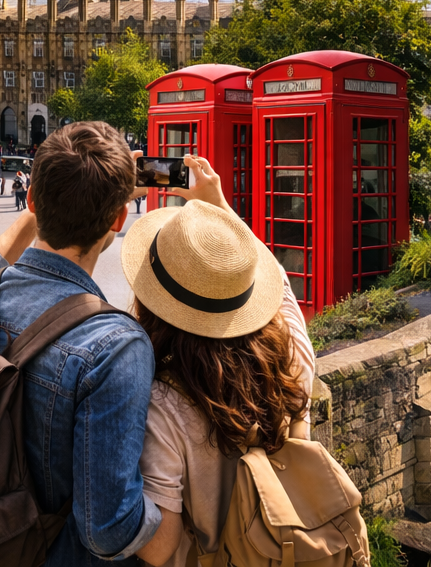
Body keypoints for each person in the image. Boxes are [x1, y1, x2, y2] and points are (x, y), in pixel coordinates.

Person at [0, 121, 161, 566]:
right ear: (119, 219)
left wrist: (48, 194)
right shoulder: (115, 346)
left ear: (32, 199)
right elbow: (107, 531)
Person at [124, 157, 320, 567]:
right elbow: (277, 282)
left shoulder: (162, 406)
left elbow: (160, 548)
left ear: (155, 304)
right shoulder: (292, 360)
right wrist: (223, 213)